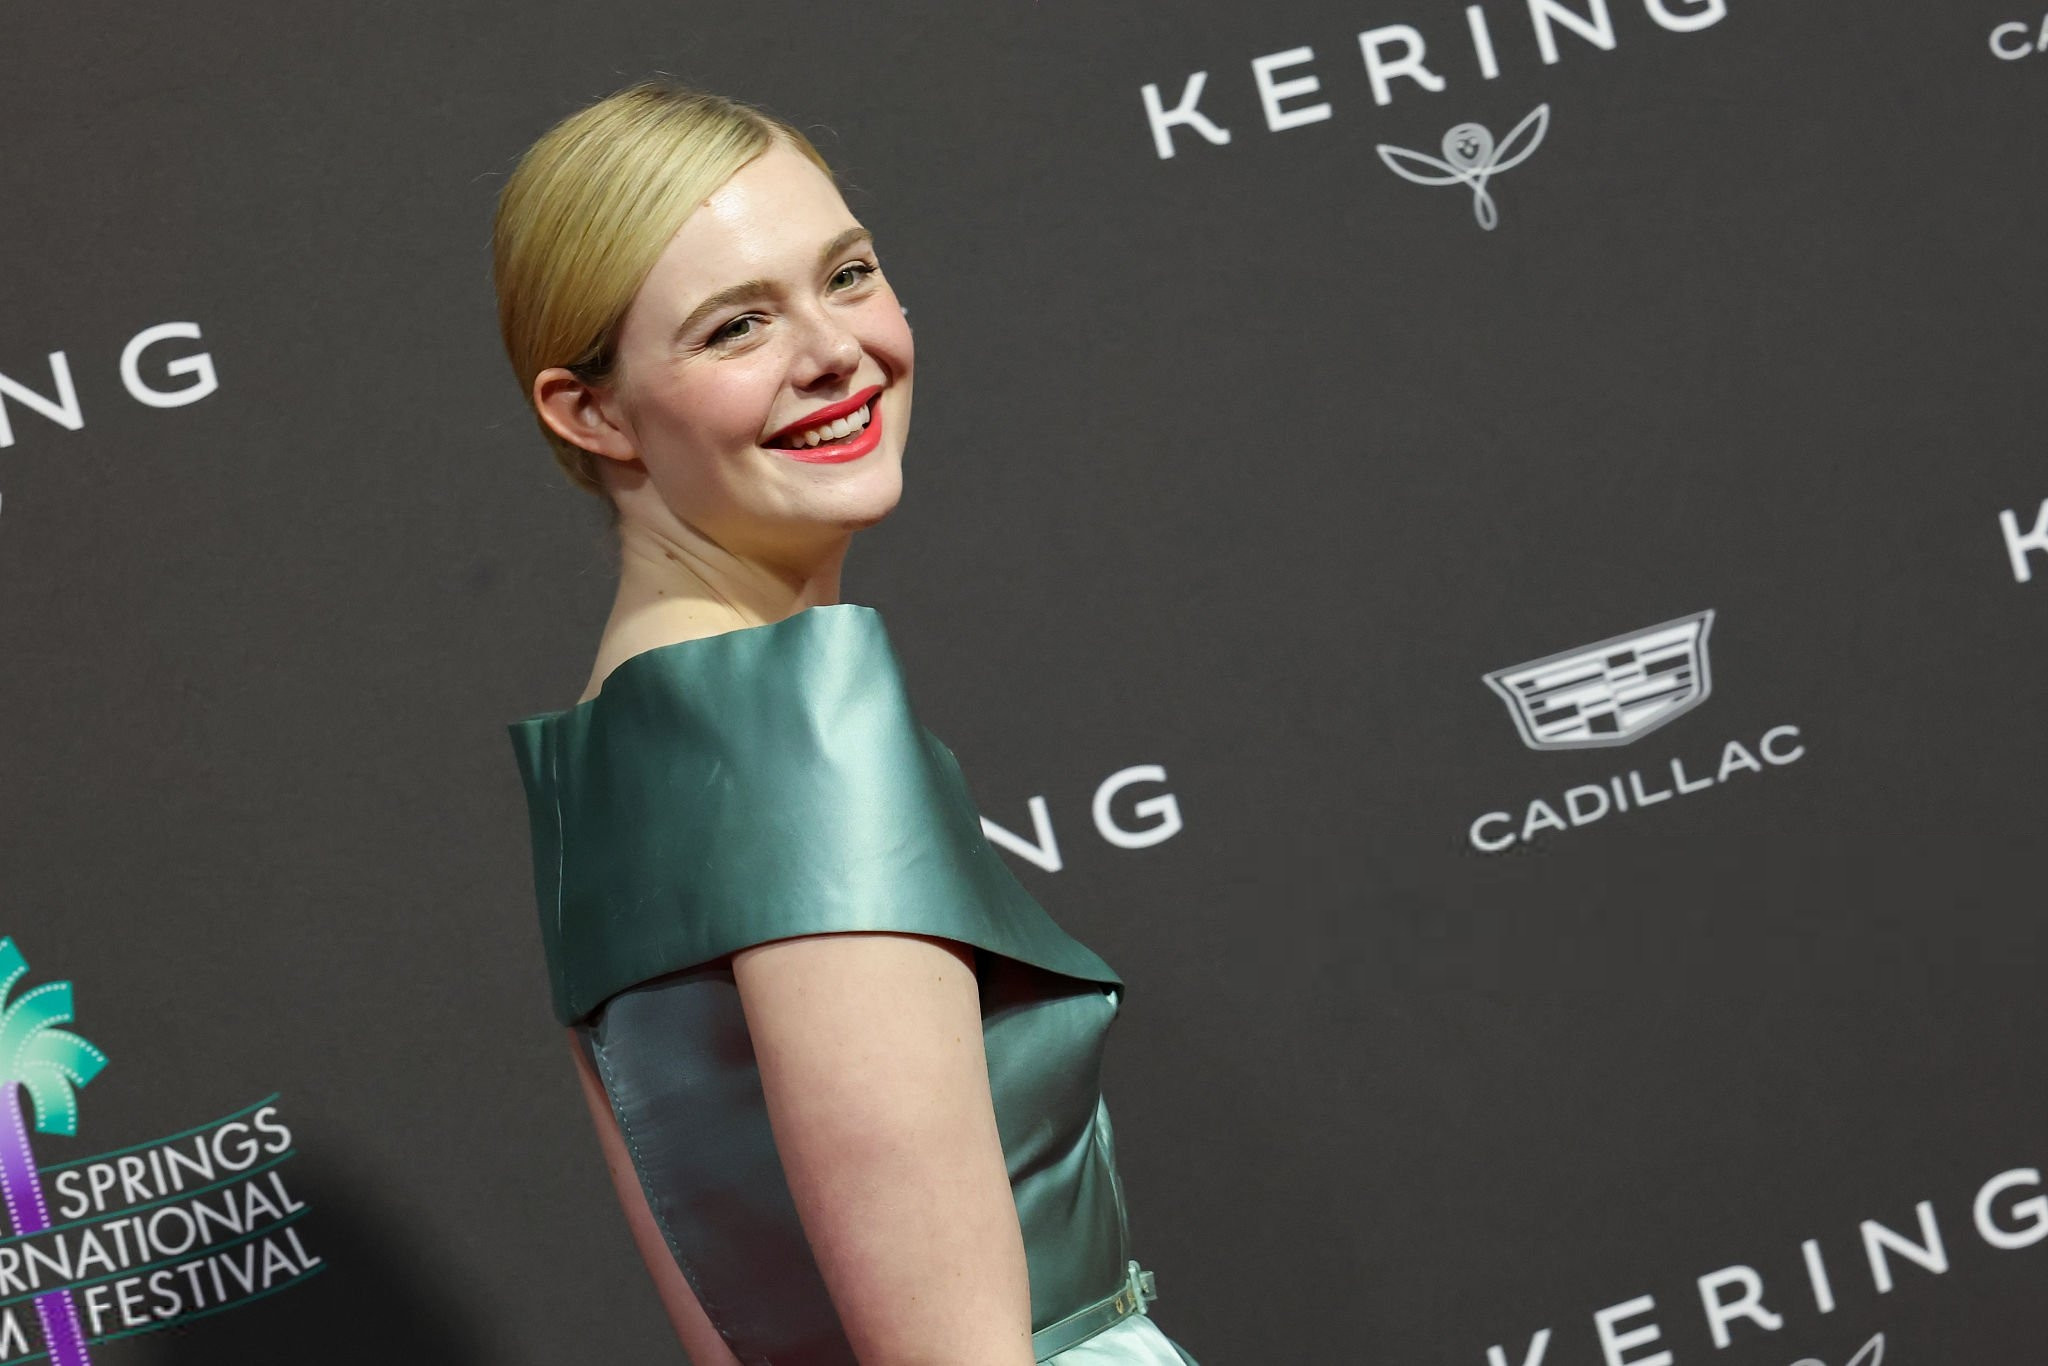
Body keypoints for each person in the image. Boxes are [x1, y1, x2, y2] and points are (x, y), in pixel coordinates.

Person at [494, 80, 1199, 1366]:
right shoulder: (786, 733)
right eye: (736, 325)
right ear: (589, 411)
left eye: (847, 273)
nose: (833, 350)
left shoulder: (622, 736)